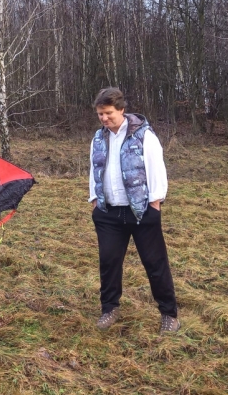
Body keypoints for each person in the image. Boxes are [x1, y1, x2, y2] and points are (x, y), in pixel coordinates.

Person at [89, 88, 180, 334]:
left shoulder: (144, 136)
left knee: (155, 263)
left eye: (108, 113)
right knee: (108, 262)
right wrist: (95, 200)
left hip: (141, 212)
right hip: (108, 214)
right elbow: (94, 169)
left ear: (121, 110)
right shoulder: (98, 138)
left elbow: (156, 171)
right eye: (100, 114)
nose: (104, 118)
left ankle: (169, 314)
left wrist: (154, 205)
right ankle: (109, 309)